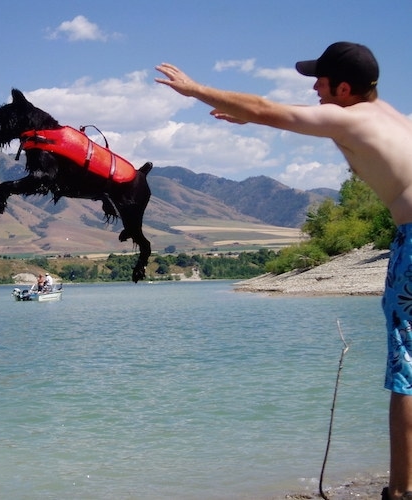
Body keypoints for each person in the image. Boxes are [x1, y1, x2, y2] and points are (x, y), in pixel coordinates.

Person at [156, 42, 412, 500]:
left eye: (321, 80)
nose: (314, 86)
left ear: (345, 88)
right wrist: (253, 117)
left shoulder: (350, 117)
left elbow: (266, 107)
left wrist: (197, 90)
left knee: (407, 370)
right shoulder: (387, 113)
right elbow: (282, 115)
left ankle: (401, 490)